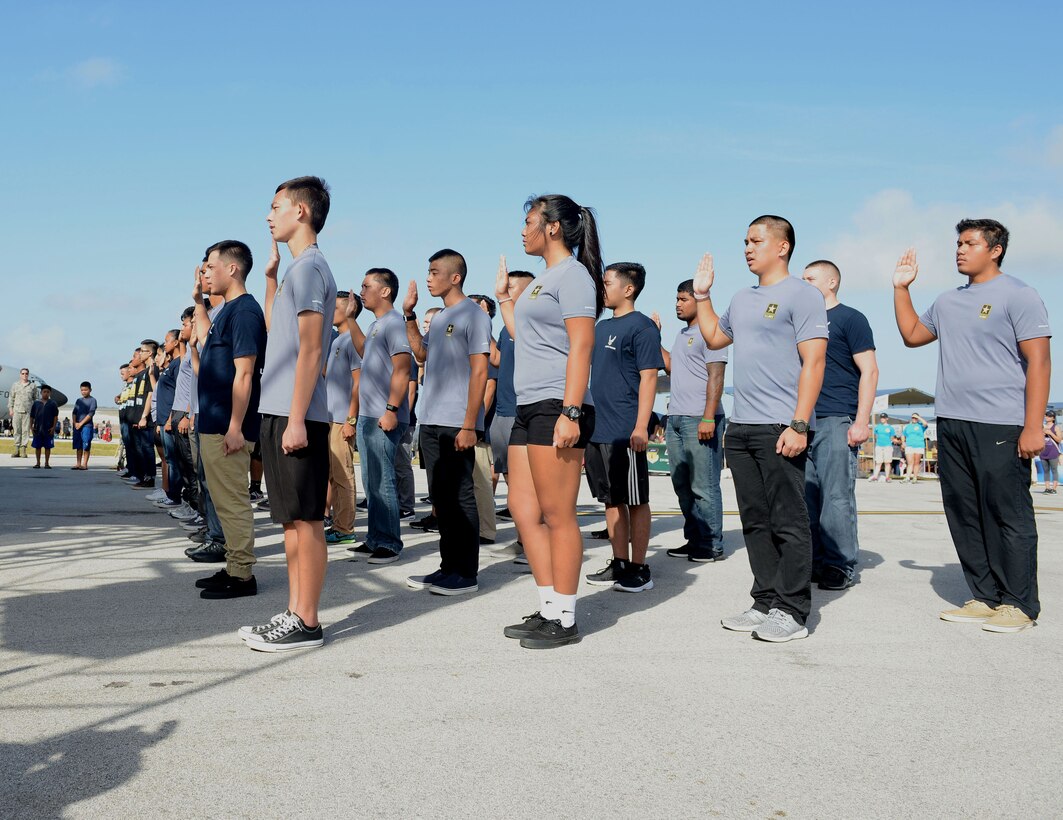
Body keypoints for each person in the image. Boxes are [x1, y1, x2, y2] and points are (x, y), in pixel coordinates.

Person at [893, 218, 1051, 633]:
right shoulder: (947, 301)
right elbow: (911, 334)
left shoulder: (1019, 295)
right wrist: (901, 288)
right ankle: (984, 596)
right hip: (952, 421)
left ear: (995, 249)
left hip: (1001, 422)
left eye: (970, 243)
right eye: (958, 243)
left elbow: (1039, 361)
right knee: (964, 511)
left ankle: (1019, 603)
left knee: (1007, 513)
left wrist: (1033, 425)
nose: (960, 250)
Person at [694, 215, 828, 643]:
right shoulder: (742, 297)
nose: (748, 247)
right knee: (755, 520)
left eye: (756, 240)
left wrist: (799, 423)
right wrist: (703, 296)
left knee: (789, 519)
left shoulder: (803, 295)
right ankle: (765, 600)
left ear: (782, 246)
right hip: (742, 425)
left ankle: (792, 610)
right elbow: (715, 338)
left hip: (780, 425)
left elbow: (815, 361)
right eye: (745, 241)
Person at [494, 194, 602, 649]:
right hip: (528, 405)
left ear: (553, 227)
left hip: (559, 404)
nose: (522, 230)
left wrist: (571, 411)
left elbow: (581, 345)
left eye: (529, 222)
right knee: (524, 511)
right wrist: (504, 301)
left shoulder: (574, 276)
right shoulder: (542, 281)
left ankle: (566, 616)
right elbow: (530, 338)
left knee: (559, 515)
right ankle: (547, 607)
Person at [242, 176, 337, 652]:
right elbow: (279, 332)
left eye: (275, 206)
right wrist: (270, 278)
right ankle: (295, 612)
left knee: (307, 520)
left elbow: (311, 348)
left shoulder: (312, 269)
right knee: (290, 521)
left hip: (296, 414)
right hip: (279, 409)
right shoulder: (296, 271)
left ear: (300, 211)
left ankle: (308, 620)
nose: (268, 215)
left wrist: (297, 419)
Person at [402, 249, 492, 595]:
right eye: (427, 271)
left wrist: (470, 424)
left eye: (435, 271)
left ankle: (465, 573)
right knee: (441, 497)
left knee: (461, 495)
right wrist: (409, 314)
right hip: (431, 418)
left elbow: (481, 369)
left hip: (458, 421)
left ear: (455, 277)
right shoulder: (440, 318)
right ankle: (447, 567)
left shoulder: (474, 315)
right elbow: (422, 354)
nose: (428, 277)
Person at [191, 240, 266, 602]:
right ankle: (234, 563)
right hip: (215, 423)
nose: (205, 272)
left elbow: (246, 372)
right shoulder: (226, 311)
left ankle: (242, 574)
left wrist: (236, 427)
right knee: (223, 500)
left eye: (210, 266)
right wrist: (198, 301)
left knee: (233, 501)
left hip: (227, 427)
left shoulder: (245, 312)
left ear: (232, 269)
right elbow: (206, 339)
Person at [583, 263, 663, 592]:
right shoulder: (600, 328)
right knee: (611, 501)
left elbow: (649, 378)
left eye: (607, 283)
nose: (602, 289)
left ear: (628, 289)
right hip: (597, 428)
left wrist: (642, 425)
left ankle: (639, 567)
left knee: (635, 500)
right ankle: (618, 561)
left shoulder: (642, 327)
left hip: (625, 430)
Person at [800, 260, 879, 590]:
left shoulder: (850, 318)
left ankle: (839, 564)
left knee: (835, 498)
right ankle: (815, 562)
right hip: (803, 421)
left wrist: (861, 421)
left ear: (831, 282)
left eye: (810, 278)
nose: (803, 284)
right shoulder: (802, 321)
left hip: (836, 418)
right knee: (806, 498)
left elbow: (870, 371)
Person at [654, 279, 728, 563]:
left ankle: (711, 544)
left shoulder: (713, 331)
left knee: (704, 485)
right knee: (682, 484)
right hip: (677, 418)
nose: (677, 304)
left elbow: (716, 376)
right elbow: (672, 366)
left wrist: (709, 416)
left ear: (698, 299)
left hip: (701, 417)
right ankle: (695, 538)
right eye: (676, 299)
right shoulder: (683, 333)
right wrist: (655, 338)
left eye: (683, 299)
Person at [345, 268, 413, 563]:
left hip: (384, 414)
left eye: (366, 285)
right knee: (372, 480)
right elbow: (364, 350)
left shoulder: (395, 323)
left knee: (383, 480)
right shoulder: (376, 325)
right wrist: (350, 318)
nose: (361, 291)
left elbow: (403, 368)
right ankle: (375, 538)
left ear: (385, 291)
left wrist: (391, 409)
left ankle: (389, 542)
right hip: (369, 415)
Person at [486, 271, 535, 562]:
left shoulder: (531, 320)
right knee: (511, 481)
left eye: (511, 286)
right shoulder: (507, 327)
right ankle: (521, 539)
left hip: (522, 412)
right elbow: (497, 360)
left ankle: (533, 543)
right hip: (502, 413)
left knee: (526, 482)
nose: (504, 288)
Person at [324, 291, 362, 546]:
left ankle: (346, 528)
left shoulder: (353, 341)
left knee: (343, 475)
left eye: (335, 306)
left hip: (341, 420)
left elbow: (359, 382)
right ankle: (338, 524)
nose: (331, 311)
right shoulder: (337, 340)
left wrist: (351, 420)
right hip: (328, 418)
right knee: (332, 475)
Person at [10, 368, 38, 458]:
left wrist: (35, 411)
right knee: (17, 430)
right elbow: (11, 398)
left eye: (26, 373)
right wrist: (11, 409)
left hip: (27, 412)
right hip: (16, 411)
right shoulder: (15, 385)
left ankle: (23, 450)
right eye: (23, 373)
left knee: (25, 431)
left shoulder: (32, 386)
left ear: (28, 375)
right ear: (20, 374)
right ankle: (16, 449)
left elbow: (35, 399)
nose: (24, 375)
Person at [30, 385, 59, 468]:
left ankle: (47, 463)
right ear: (41, 392)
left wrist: (53, 427)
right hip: (38, 429)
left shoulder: (53, 403)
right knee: (37, 447)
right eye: (44, 392)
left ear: (50, 393)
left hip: (48, 429)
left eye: (48, 392)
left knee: (47, 447)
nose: (46, 394)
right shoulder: (36, 403)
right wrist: (31, 427)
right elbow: (32, 416)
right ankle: (38, 463)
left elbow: (55, 416)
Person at [71, 382, 97, 470]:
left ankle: (84, 464)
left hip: (87, 426)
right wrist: (75, 423)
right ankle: (78, 463)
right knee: (78, 446)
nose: (84, 392)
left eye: (86, 390)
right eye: (82, 390)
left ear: (90, 390)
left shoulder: (93, 400)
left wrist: (81, 423)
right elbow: (74, 412)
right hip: (77, 426)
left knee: (86, 445)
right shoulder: (79, 400)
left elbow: (91, 413)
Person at [901, 413, 928, 483]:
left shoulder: (920, 425)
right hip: (909, 445)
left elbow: (925, 423)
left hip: (919, 445)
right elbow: (903, 435)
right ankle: (907, 477)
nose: (914, 419)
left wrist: (919, 417)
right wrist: (903, 442)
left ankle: (915, 477)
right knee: (910, 462)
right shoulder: (908, 426)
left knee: (916, 462)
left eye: (915, 418)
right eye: (913, 417)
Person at [869, 414, 894, 482]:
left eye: (884, 418)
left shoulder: (890, 428)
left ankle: (887, 477)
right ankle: (875, 476)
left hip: (887, 446)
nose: (882, 419)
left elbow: (892, 437)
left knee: (887, 462)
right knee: (878, 462)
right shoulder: (878, 427)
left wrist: (889, 443)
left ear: (887, 419)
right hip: (879, 445)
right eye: (881, 418)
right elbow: (875, 435)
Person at [1040, 410, 1060, 493]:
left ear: (1053, 418)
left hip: (1053, 452)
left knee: (1054, 470)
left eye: (1048, 416)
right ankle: (1047, 488)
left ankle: (1054, 489)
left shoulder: (1056, 427)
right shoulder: (1042, 427)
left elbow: (1059, 439)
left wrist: (1050, 433)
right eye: (1046, 415)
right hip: (1043, 452)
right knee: (1046, 471)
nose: (1046, 417)